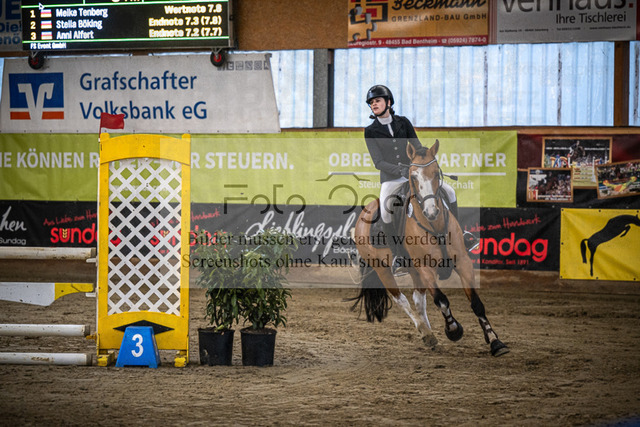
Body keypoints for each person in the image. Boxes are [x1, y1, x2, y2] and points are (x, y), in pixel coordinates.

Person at [363, 85, 477, 275]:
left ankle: (461, 235)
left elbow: (416, 145)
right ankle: (398, 255)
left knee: (449, 191)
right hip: (391, 179)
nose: (374, 104)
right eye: (371, 102)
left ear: (388, 102)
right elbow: (378, 162)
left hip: (415, 174)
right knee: (385, 208)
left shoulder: (403, 122)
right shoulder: (370, 131)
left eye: (377, 101)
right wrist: (399, 169)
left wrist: (423, 162)